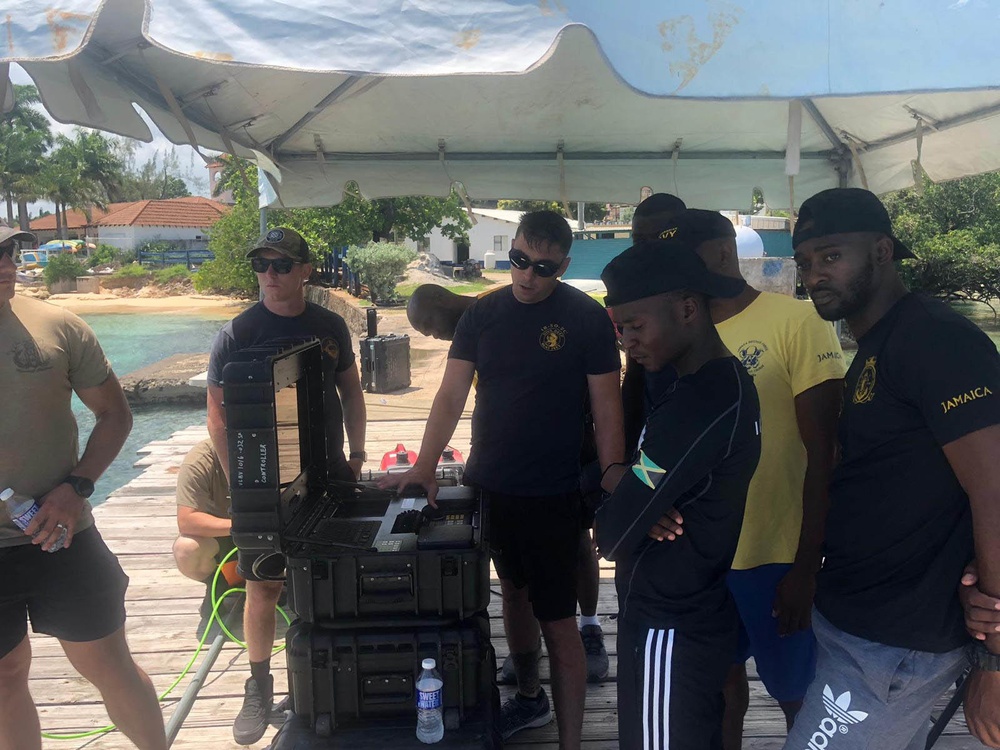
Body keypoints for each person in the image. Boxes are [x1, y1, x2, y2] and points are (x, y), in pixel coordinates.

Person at [383, 210, 624, 747]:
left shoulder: (586, 319)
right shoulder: (483, 314)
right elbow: (451, 393)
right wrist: (424, 464)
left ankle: (571, 741)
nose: (527, 276)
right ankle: (531, 698)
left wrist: (613, 474)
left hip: (557, 492)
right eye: (518, 261)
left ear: (562, 264)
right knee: (511, 596)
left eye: (542, 268)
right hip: (491, 484)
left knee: (558, 620)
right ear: (511, 251)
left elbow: (607, 404)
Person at [784, 188, 1000, 750]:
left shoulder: (937, 339)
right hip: (857, 625)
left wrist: (995, 659)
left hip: (895, 645)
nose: (815, 275)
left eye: (831, 256)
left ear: (882, 250)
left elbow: (995, 488)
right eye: (805, 262)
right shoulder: (879, 344)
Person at [645, 209, 846, 747]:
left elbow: (826, 452)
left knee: (798, 694)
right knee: (718, 684)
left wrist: (807, 564)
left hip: (777, 553)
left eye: (682, 257)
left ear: (721, 253)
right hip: (704, 553)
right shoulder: (682, 337)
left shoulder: (796, 322)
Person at [0, 224, 166, 750]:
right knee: (4, 680)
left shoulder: (58, 325)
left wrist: (77, 487)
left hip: (63, 532)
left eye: (7, 249)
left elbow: (114, 414)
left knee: (109, 664)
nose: (4, 260)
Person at [597, 237, 761, 750]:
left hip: (670, 625)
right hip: (688, 611)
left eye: (636, 326)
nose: (627, 341)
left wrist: (629, 503)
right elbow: (629, 505)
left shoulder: (703, 399)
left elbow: (609, 533)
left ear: (688, 308)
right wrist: (632, 495)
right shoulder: (706, 382)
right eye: (620, 329)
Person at [206, 226, 368, 746]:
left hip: (326, 470)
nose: (269, 275)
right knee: (263, 583)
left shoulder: (329, 327)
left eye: (281, 265)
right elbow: (217, 417)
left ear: (305, 270)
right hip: (263, 481)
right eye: (261, 265)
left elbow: (351, 393)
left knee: (329, 574)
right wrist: (241, 485)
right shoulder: (237, 333)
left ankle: (329, 673)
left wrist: (358, 455)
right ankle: (258, 686)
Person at [407, 282, 612, 682]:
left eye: (431, 327)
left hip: (571, 445)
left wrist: (608, 467)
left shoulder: (499, 307)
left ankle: (588, 627)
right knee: (513, 573)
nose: (434, 337)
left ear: (445, 303)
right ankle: (526, 654)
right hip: (509, 464)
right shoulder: (472, 329)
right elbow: (455, 396)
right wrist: (426, 463)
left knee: (577, 544)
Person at [622, 192, 688, 452]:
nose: (648, 249)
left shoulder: (703, 295)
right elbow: (634, 378)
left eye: (660, 238)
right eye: (639, 241)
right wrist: (625, 451)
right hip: (652, 441)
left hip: (696, 436)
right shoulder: (635, 293)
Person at [172, 438, 242, 621]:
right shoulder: (199, 460)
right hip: (223, 538)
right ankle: (217, 585)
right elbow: (187, 520)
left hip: (270, 536)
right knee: (185, 549)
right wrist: (244, 526)